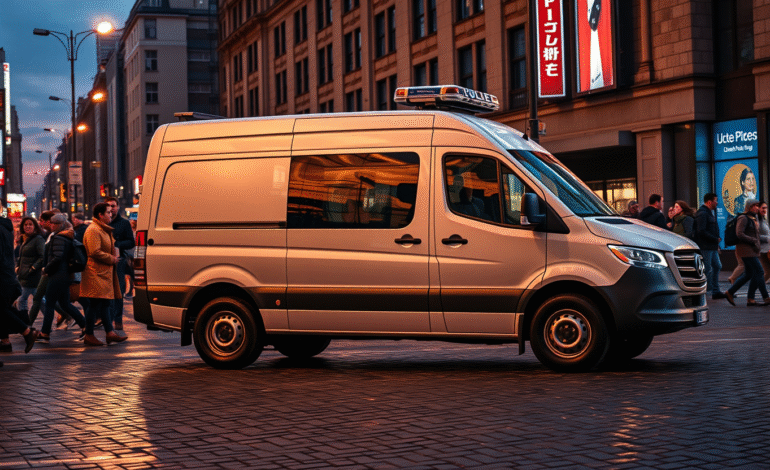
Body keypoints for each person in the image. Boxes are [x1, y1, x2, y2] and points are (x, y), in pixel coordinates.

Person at [81, 202, 127, 346]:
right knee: (94, 304)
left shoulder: (102, 229)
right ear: (100, 215)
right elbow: (94, 251)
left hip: (103, 272)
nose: (111, 214)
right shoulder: (94, 230)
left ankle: (110, 333)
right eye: (108, 212)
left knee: (105, 303)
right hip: (95, 272)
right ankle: (89, 334)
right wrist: (112, 258)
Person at [37, 214, 87, 343]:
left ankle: (45, 333)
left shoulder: (59, 237)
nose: (51, 225)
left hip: (58, 275)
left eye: (53, 223)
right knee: (65, 304)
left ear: (59, 224)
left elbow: (58, 257)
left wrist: (46, 269)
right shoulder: (66, 236)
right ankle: (85, 326)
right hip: (65, 275)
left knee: (49, 303)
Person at [0, 213, 37, 366]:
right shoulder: (4, 228)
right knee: (3, 310)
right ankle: (17, 336)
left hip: (3, 278)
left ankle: (27, 332)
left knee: (2, 310)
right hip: (6, 278)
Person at [723, 199, 770, 307]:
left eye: (758, 206)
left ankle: (743, 297)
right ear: (749, 206)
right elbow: (739, 233)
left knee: (749, 274)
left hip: (752, 250)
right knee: (759, 271)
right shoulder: (743, 218)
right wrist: (753, 240)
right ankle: (766, 297)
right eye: (755, 206)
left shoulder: (752, 218)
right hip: (746, 250)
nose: (757, 208)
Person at [106, 197, 135, 331]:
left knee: (118, 291)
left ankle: (117, 320)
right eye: (108, 206)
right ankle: (107, 319)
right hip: (105, 261)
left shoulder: (124, 223)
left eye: (113, 206)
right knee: (106, 292)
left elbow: (131, 242)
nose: (111, 208)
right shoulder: (103, 222)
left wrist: (117, 244)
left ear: (117, 207)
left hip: (119, 261)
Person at [695, 193, 724, 300]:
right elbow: (701, 231)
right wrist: (714, 238)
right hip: (706, 246)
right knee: (707, 269)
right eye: (715, 201)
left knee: (717, 266)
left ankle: (715, 291)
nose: (717, 203)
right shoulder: (703, 214)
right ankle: (703, 291)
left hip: (711, 246)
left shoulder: (709, 213)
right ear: (709, 202)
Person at [758, 202, 770, 284]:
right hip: (762, 250)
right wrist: (768, 238)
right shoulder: (757, 220)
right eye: (763, 207)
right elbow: (756, 236)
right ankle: (756, 287)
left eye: (765, 207)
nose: (764, 209)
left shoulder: (763, 219)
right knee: (768, 272)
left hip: (767, 249)